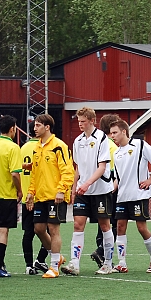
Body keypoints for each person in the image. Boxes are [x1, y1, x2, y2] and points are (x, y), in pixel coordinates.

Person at [62, 107, 115, 276]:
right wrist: (74, 187)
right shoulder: (77, 141)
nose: (80, 124)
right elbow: (78, 167)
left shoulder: (102, 138)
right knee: (77, 224)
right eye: (78, 121)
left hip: (100, 190)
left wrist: (87, 184)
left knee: (105, 225)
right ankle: (74, 264)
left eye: (83, 121)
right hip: (83, 192)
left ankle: (108, 263)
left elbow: (102, 167)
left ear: (92, 121)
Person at [108, 119, 151, 272]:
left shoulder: (139, 145)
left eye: (114, 132)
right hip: (122, 196)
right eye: (111, 133)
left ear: (124, 132)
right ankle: (122, 262)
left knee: (141, 227)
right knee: (120, 226)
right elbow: (118, 178)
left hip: (139, 194)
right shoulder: (117, 153)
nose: (112, 136)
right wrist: (111, 189)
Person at [25, 113, 74, 278]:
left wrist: (61, 190)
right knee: (38, 229)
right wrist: (31, 193)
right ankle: (57, 257)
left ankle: (54, 267)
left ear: (47, 127)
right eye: (34, 125)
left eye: (38, 125)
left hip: (55, 196)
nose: (34, 128)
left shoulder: (59, 146)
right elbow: (35, 174)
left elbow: (68, 171)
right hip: (41, 196)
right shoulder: (37, 148)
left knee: (53, 229)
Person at [0, 115, 23, 277]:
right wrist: (19, 191)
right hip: (5, 193)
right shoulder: (13, 147)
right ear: (12, 129)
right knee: (3, 230)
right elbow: (15, 174)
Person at [89, 113, 120, 268]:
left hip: (94, 188)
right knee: (111, 224)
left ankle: (102, 254)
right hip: (109, 188)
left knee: (102, 223)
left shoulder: (95, 142)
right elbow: (116, 172)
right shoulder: (112, 146)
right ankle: (103, 253)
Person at [19, 131, 49, 274]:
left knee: (28, 232)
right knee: (50, 232)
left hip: (27, 196)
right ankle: (41, 259)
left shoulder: (22, 148)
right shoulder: (41, 148)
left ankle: (29, 265)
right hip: (41, 197)